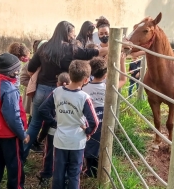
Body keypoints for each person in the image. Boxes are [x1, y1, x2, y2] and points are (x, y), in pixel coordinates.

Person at [23, 20, 108, 162]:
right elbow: (92, 52)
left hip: (41, 91)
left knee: (34, 124)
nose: (74, 37)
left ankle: (21, 155)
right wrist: (114, 46)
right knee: (60, 125)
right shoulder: (71, 49)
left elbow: (30, 68)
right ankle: (54, 160)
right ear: (66, 34)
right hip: (61, 92)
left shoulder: (44, 48)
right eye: (72, 35)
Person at [39, 60, 99, 189]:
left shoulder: (57, 92)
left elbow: (42, 110)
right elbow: (95, 121)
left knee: (58, 172)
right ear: (86, 79)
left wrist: (55, 123)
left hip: (60, 139)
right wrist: (88, 132)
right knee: (74, 173)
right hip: (77, 141)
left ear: (70, 75)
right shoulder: (84, 97)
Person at [0, 53, 30, 189]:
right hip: (10, 135)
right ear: (13, 71)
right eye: (17, 69)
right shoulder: (10, 90)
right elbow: (13, 118)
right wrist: (22, 134)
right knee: (15, 165)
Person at [82, 55, 126, 178]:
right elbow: (123, 80)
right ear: (106, 74)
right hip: (104, 120)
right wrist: (122, 62)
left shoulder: (84, 87)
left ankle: (90, 169)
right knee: (103, 143)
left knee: (90, 143)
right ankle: (101, 168)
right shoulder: (108, 87)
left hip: (89, 121)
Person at [36, 72, 70, 187]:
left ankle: (45, 176)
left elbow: (43, 110)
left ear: (57, 83)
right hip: (67, 132)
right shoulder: (74, 95)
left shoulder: (54, 94)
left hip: (53, 131)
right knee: (65, 156)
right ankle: (65, 179)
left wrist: (53, 123)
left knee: (49, 154)